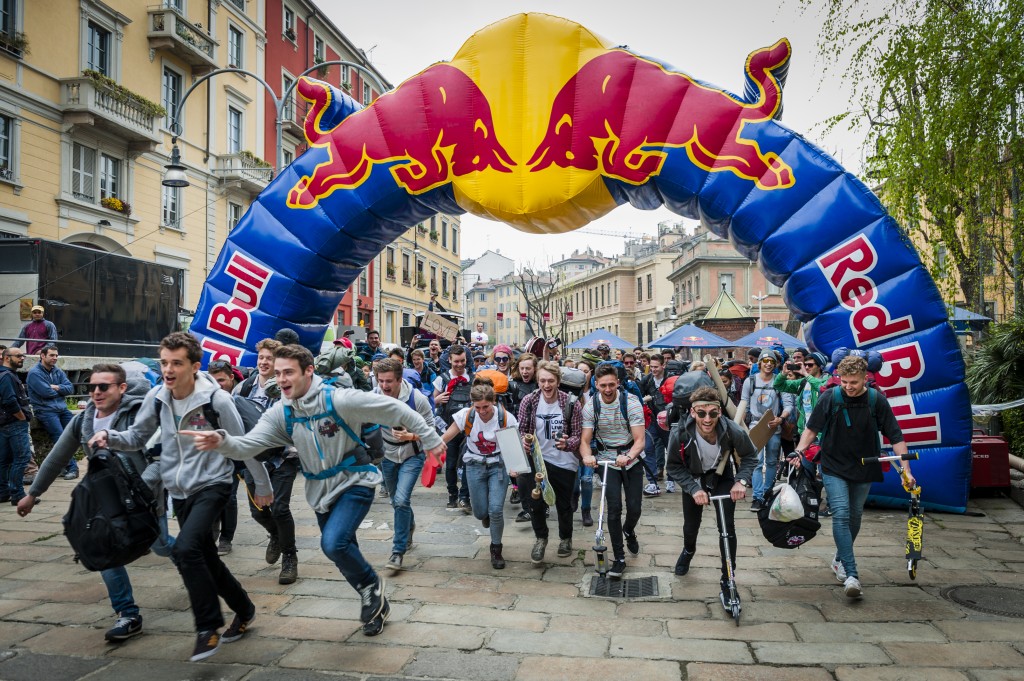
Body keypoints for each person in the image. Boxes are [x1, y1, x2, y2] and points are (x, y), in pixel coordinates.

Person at [185, 343, 444, 636]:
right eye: (278, 373)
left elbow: (395, 408)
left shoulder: (340, 399)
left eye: (289, 372)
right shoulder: (281, 412)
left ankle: (372, 587)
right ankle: (374, 602)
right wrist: (222, 441)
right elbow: (249, 444)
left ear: (309, 371)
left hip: (354, 481)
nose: (281, 379)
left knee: (333, 544)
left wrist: (431, 439)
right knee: (344, 551)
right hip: (319, 492)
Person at [89, 332, 274, 662]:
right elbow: (136, 437)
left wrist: (262, 486)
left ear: (194, 366)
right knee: (206, 558)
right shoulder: (159, 396)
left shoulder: (216, 400)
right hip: (179, 490)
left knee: (186, 549)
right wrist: (109, 436)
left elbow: (243, 444)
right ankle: (244, 609)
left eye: (176, 363)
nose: (168, 370)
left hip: (213, 484)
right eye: (164, 362)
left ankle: (208, 627)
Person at [18, 363, 174, 642]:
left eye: (104, 386)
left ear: (121, 388)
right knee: (103, 551)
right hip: (105, 501)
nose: (96, 392)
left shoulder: (140, 415)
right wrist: (33, 493)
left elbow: (161, 462)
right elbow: (57, 456)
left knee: (162, 546)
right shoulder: (84, 419)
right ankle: (128, 614)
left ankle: (197, 560)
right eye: (91, 387)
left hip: (143, 500)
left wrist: (138, 489)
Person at [793, 355, 914, 599]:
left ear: (865, 379)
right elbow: (811, 428)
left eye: (854, 382)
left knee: (855, 516)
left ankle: (839, 559)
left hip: (865, 465)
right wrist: (799, 450)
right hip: (833, 464)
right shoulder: (831, 397)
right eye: (844, 381)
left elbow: (896, 435)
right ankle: (852, 573)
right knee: (841, 513)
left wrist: (907, 471)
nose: (848, 386)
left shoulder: (876, 400)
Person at [666, 386, 756, 610]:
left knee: (727, 529)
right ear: (693, 412)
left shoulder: (731, 430)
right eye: (701, 413)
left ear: (719, 413)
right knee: (691, 526)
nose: (708, 419)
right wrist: (692, 488)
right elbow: (673, 467)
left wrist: (741, 481)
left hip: (722, 476)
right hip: (694, 478)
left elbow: (750, 456)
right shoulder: (680, 434)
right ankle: (688, 550)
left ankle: (728, 579)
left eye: (713, 413)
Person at [440, 380, 518, 569]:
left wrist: (514, 468)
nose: (482, 411)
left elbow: (513, 449)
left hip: (498, 465)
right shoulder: (466, 416)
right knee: (480, 512)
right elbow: (445, 437)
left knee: (496, 510)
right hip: (474, 465)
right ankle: (486, 515)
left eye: (486, 407)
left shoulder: (506, 419)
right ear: (472, 404)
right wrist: (430, 446)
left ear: (494, 402)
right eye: (478, 407)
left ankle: (496, 548)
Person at [579, 364, 646, 579]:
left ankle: (629, 530)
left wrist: (628, 456)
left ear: (618, 383)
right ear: (596, 385)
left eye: (611, 384)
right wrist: (587, 456)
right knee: (613, 507)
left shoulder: (631, 403)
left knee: (634, 507)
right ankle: (619, 557)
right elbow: (585, 440)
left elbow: (640, 440)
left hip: (630, 460)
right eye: (603, 386)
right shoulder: (591, 406)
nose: (607, 389)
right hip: (607, 461)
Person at [516, 361, 582, 563]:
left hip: (564, 462)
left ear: (558, 381)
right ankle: (541, 538)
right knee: (535, 503)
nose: (546, 385)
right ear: (538, 381)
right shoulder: (529, 400)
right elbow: (522, 430)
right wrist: (524, 443)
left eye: (551, 381)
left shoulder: (571, 403)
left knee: (564, 504)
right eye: (543, 381)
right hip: (538, 460)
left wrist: (568, 442)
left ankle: (565, 538)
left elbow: (578, 435)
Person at [374, 358, 432, 571]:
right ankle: (408, 525)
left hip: (412, 455)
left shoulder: (417, 399)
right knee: (395, 501)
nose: (384, 386)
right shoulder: (374, 397)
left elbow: (432, 427)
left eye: (389, 381)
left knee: (400, 500)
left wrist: (412, 435)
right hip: (387, 456)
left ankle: (397, 552)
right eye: (380, 381)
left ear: (399, 380)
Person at [735, 349, 794, 512]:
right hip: (755, 425)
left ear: (775, 365)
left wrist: (781, 418)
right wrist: (738, 424)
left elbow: (788, 404)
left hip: (774, 426)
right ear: (759, 363)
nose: (768, 364)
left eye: (771, 362)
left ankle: (768, 494)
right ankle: (757, 497)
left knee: (771, 462)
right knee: (756, 461)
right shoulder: (750, 381)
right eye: (765, 361)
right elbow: (744, 402)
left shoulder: (779, 381)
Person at [206, 360, 246, 555]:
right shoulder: (205, 397)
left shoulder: (240, 394)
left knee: (229, 497)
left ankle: (226, 537)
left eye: (221, 380)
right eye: (213, 380)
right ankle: (212, 530)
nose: (218, 385)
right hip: (211, 458)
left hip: (234, 456)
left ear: (231, 378)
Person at [26, 345, 78, 480]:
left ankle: (62, 467)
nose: (55, 358)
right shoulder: (34, 373)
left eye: (56, 355)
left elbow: (70, 389)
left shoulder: (57, 371)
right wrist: (60, 390)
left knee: (75, 435)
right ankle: (72, 468)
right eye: (52, 355)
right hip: (45, 411)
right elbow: (45, 392)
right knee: (61, 438)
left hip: (62, 409)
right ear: (42, 356)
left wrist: (56, 387)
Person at [434, 345, 474, 511]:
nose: (459, 364)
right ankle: (452, 494)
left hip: (468, 429)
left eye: (462, 361)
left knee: (467, 463)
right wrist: (438, 399)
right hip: (448, 428)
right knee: (450, 465)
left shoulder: (473, 378)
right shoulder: (441, 379)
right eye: (456, 361)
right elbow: (432, 401)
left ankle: (465, 496)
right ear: (449, 360)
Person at [0, 347, 32, 505]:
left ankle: (3, 492)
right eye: (18, 356)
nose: (22, 358)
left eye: (23, 355)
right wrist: (21, 418)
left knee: (4, 460)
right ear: (7, 358)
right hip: (13, 423)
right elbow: (9, 401)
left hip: (5, 423)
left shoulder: (6, 374)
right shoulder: (6, 376)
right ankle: (17, 494)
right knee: (22, 457)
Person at [640, 353, 673, 493]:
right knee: (648, 449)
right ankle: (652, 482)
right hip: (653, 420)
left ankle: (671, 480)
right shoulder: (646, 380)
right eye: (651, 366)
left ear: (663, 365)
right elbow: (639, 398)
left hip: (668, 421)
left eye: (656, 367)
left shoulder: (671, 380)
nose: (653, 369)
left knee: (671, 450)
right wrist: (644, 400)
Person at [234, 339, 282, 409]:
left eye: (269, 358)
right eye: (261, 358)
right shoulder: (243, 386)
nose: (263, 362)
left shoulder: (285, 390)